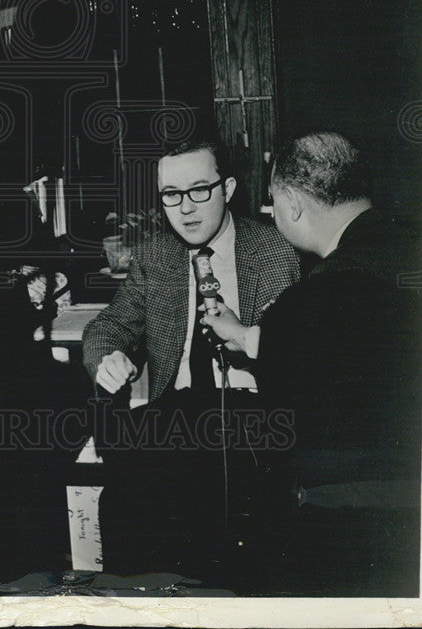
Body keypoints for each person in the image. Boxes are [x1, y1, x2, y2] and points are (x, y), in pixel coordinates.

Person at [201, 131, 422, 595]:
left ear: (294, 204)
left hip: (356, 529)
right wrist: (247, 335)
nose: (272, 215)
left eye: (273, 204)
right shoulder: (419, 246)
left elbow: (297, 404)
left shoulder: (317, 295)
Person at [81, 137, 300, 576]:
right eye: (171, 195)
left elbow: (294, 357)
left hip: (251, 421)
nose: (186, 208)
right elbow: (107, 327)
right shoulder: (156, 257)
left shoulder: (275, 251)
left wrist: (245, 336)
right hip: (175, 417)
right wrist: (109, 358)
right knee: (124, 501)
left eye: (200, 190)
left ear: (229, 189)